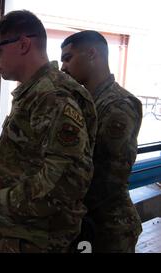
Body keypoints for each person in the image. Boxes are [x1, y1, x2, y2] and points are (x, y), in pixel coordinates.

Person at [0, 10, 97, 253]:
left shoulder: (52, 96)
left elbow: (64, 181)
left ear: (23, 44)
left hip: (35, 239)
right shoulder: (36, 92)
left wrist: (0, 197)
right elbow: (25, 154)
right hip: (21, 233)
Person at [60, 30, 142, 252]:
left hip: (109, 228)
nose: (63, 68)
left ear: (92, 54)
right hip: (87, 222)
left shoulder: (118, 104)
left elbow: (108, 174)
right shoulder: (86, 103)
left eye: (68, 58)